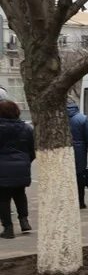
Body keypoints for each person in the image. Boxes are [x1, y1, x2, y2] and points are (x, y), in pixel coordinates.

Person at [0, 99, 35, 239]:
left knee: (3, 199)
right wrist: (26, 161)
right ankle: (24, 221)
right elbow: (32, 150)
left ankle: (8, 229)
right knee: (20, 194)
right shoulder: (27, 128)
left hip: (2, 170)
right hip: (22, 168)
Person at [67, 101, 88, 209]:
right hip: (80, 152)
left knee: (67, 177)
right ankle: (80, 202)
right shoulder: (82, 118)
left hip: (65, 151)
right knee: (80, 176)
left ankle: (68, 201)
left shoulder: (60, 118)